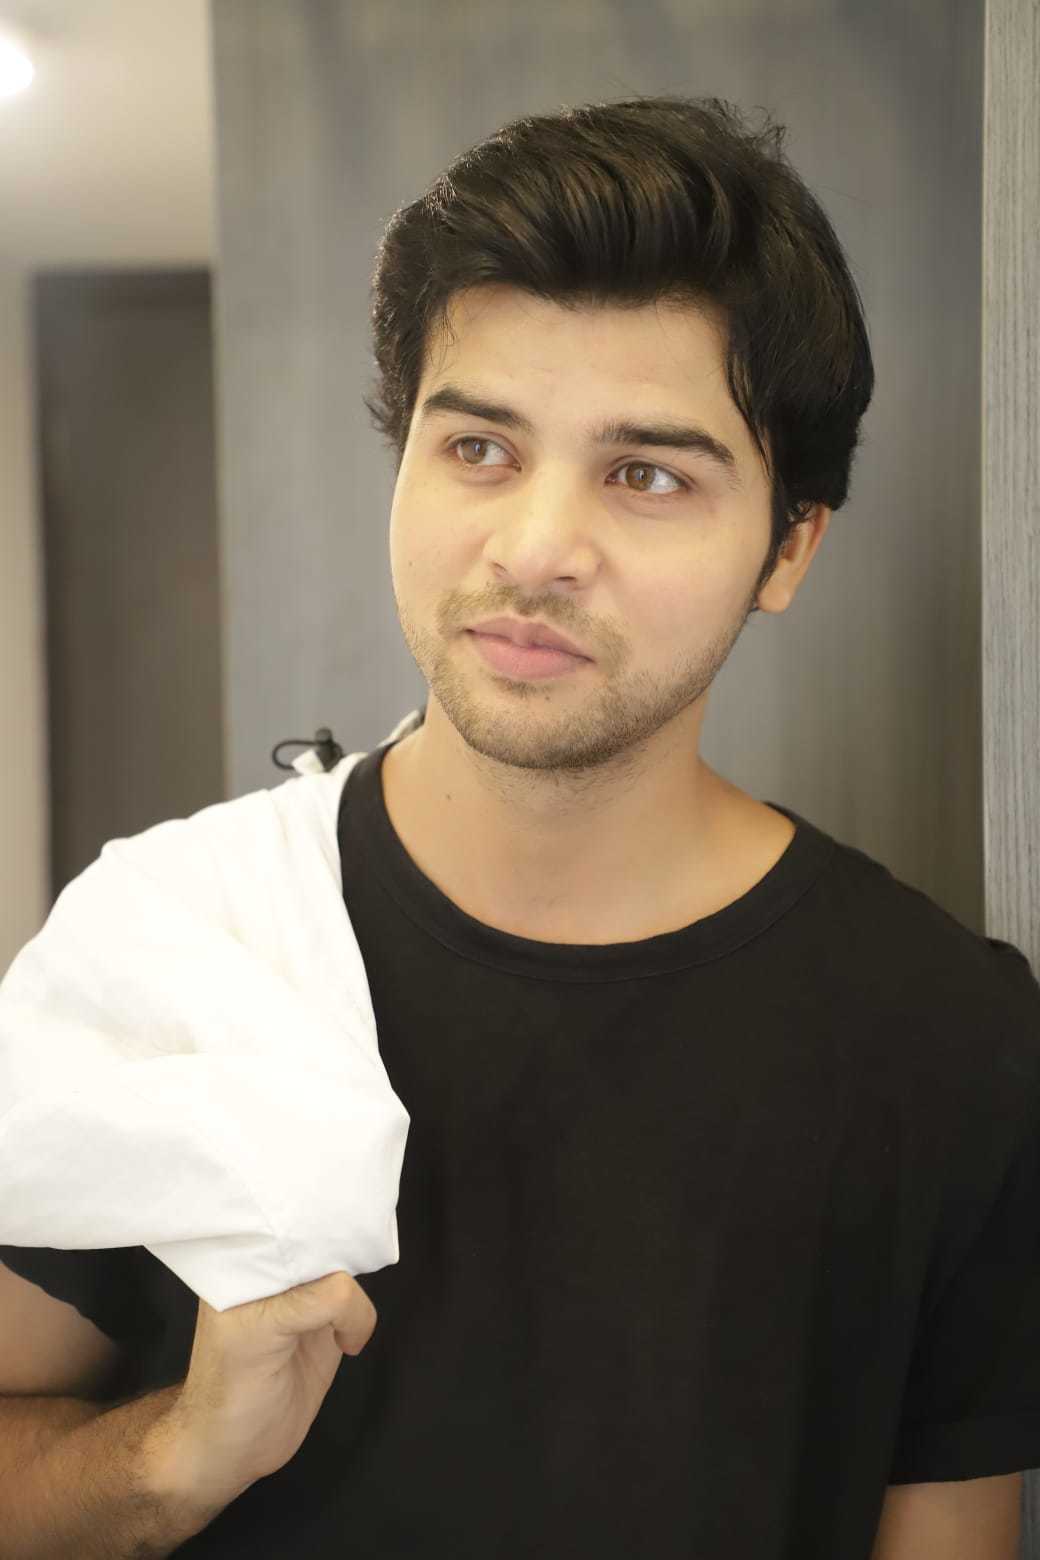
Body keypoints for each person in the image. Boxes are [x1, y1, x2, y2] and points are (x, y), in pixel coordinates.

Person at [2, 92, 1040, 1560]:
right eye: (480, 448)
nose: (537, 546)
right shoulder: (180, 949)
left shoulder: (949, 1041)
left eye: (648, 474)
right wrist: (172, 1459)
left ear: (789, 547)